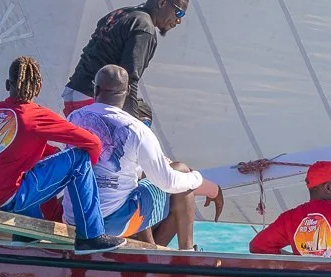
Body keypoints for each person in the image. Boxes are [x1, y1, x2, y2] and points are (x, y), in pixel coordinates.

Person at [0, 56, 124, 251]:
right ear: (38, 87)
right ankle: (90, 236)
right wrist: (86, 171)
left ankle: (25, 233)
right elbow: (92, 142)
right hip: (8, 199)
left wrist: (54, 156)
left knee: (48, 156)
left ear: (8, 84)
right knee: (79, 158)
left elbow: (13, 151)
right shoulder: (35, 115)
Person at [66, 64, 224, 248]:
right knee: (181, 174)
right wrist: (199, 180)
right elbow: (168, 182)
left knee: (142, 185)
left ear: (96, 89)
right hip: (111, 225)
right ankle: (186, 253)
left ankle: (154, 252)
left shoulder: (74, 119)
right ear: (126, 93)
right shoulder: (137, 130)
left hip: (73, 219)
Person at [63, 0, 188, 121]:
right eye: (179, 13)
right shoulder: (144, 28)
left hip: (73, 93)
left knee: (141, 109)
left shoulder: (119, 14)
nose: (179, 21)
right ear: (162, 3)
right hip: (92, 102)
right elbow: (128, 79)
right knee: (141, 119)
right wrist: (133, 125)